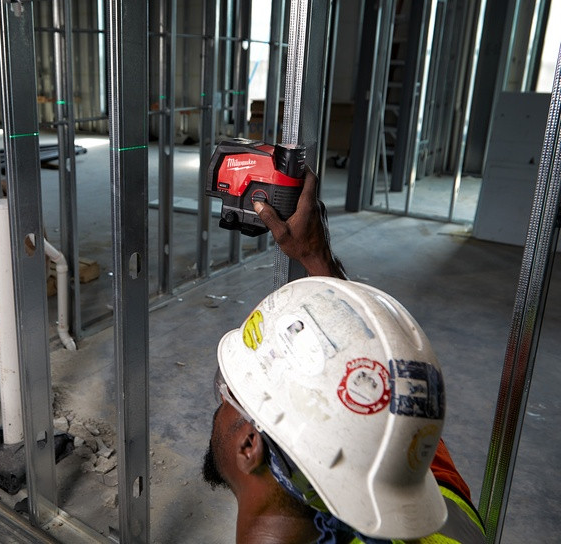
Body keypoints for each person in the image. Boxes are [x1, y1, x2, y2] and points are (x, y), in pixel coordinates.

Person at [202, 169, 486, 544]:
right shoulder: (440, 516)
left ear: (249, 446)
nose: (220, 402)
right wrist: (315, 257)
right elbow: (383, 411)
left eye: (230, 393)